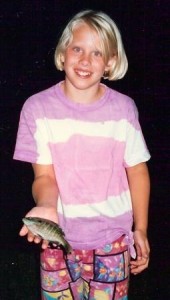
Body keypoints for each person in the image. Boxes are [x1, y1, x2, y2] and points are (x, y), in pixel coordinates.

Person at [14, 10, 150, 300]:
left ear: (110, 63)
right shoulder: (37, 109)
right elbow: (44, 176)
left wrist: (140, 228)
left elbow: (137, 171)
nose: (85, 60)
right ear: (63, 53)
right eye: (77, 48)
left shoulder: (123, 110)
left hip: (112, 240)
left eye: (97, 53)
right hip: (57, 240)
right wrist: (46, 207)